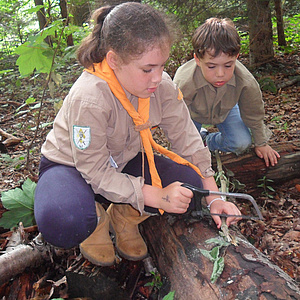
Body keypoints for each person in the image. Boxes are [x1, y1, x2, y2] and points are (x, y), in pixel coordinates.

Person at [34, 3, 241, 267]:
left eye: (161, 66)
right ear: (113, 61)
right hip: (71, 168)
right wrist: (157, 196)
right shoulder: (90, 97)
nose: (157, 78)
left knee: (193, 188)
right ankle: (95, 221)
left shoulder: (162, 86)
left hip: (121, 163)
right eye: (147, 69)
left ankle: (124, 215)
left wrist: (214, 197)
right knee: (64, 221)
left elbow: (188, 140)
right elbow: (94, 171)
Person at [173, 17, 280, 167]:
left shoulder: (245, 81)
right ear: (197, 59)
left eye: (228, 65)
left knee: (241, 143)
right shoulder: (184, 81)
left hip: (227, 110)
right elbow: (174, 117)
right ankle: (197, 140)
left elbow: (253, 113)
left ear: (236, 57)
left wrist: (261, 143)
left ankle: (207, 140)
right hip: (191, 114)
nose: (220, 74)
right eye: (211, 66)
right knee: (185, 154)